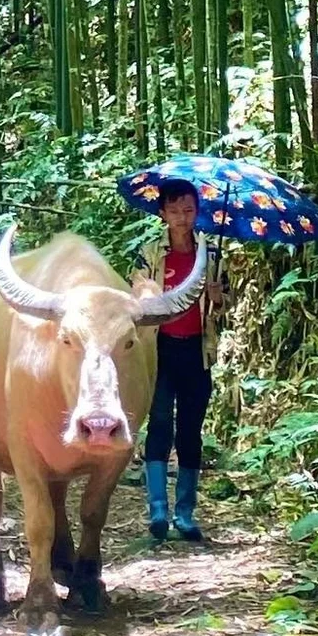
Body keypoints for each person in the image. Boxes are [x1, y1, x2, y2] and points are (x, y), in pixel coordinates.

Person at [134, 178, 229, 543]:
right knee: (160, 424)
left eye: (188, 210)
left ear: (197, 212)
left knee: (191, 431)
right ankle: (158, 509)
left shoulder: (212, 254)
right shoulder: (149, 253)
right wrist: (153, 295)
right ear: (162, 213)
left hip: (197, 352)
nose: (182, 217)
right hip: (159, 350)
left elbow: (225, 306)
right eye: (174, 210)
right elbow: (137, 296)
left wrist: (218, 296)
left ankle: (185, 514)